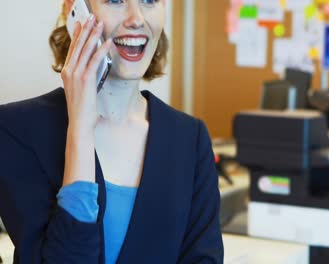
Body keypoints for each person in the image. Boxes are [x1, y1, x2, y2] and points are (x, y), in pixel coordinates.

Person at [0, 0, 223, 263]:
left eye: (150, 1)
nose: (136, 18)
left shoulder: (190, 139)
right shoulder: (17, 130)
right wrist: (80, 131)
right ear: (75, 10)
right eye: (115, 0)